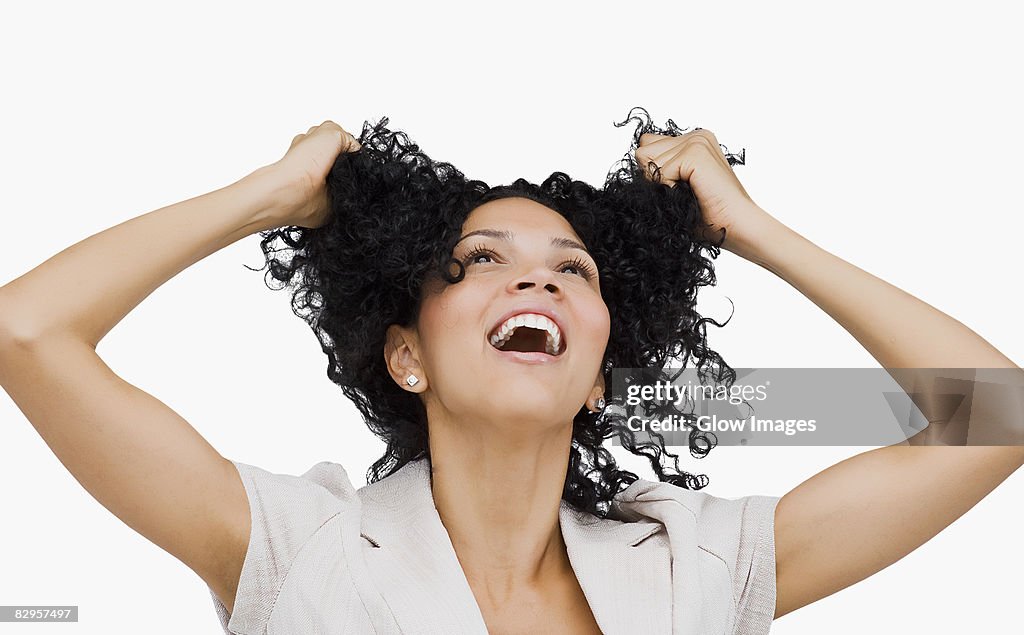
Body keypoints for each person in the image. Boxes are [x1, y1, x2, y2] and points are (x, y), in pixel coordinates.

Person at [1, 110, 1021, 635]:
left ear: (595, 378)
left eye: (569, 269)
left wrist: (749, 230)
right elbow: (29, 331)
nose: (533, 277)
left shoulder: (691, 563)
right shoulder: (292, 547)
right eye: (481, 258)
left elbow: (996, 412)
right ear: (406, 352)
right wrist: (269, 193)